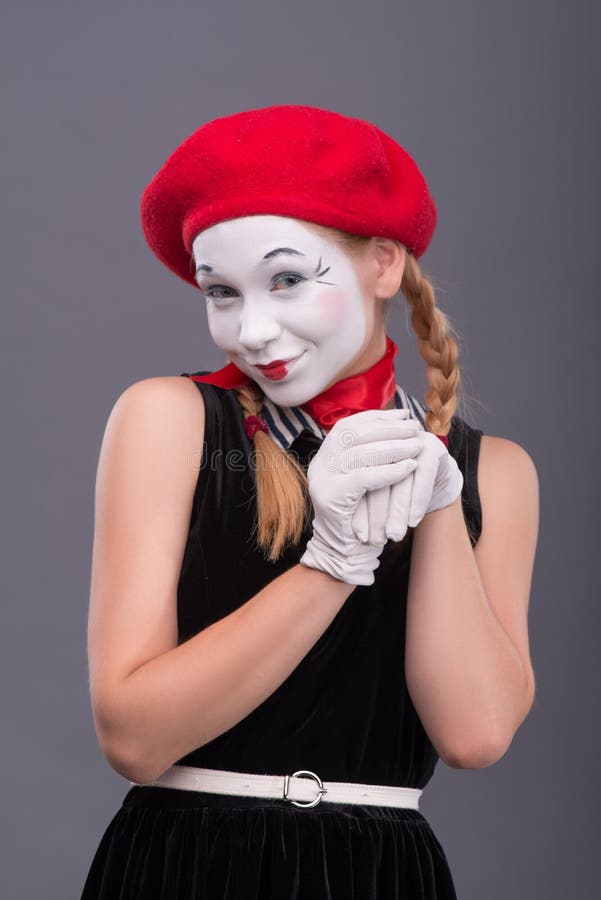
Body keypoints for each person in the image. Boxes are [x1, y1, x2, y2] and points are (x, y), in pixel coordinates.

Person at [80, 104, 539, 899]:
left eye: (287, 279)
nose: (251, 331)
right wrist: (333, 560)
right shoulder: (171, 420)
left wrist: (432, 501)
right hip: (189, 866)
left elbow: (475, 734)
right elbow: (133, 737)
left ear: (384, 264)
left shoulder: (490, 472)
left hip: (381, 877)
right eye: (221, 292)